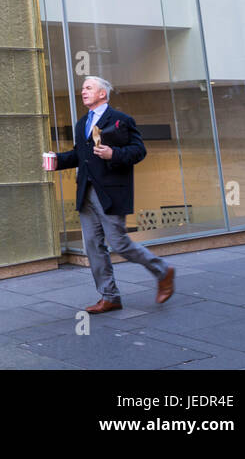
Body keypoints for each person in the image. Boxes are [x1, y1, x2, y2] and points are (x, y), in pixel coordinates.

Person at [44, 76, 174, 313]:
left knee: (119, 243)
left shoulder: (121, 120)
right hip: (86, 191)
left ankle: (162, 271)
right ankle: (110, 296)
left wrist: (113, 154)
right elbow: (79, 155)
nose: (83, 91)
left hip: (111, 193)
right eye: (82, 88)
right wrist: (57, 161)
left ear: (103, 93)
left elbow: (138, 151)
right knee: (93, 246)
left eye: (89, 88)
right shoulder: (82, 122)